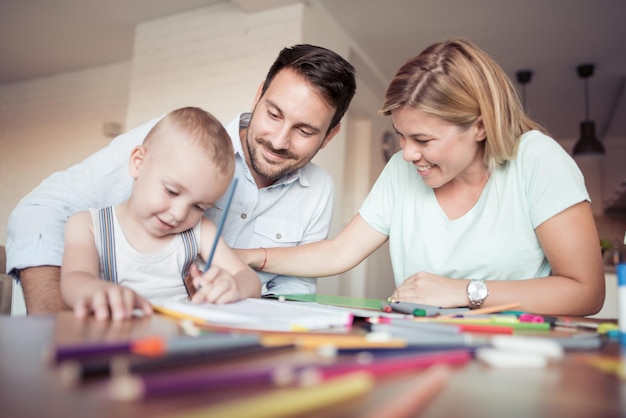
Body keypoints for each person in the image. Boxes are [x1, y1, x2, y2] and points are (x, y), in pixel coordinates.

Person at [236, 38, 605, 317]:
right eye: (401, 135)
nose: (408, 153)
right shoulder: (401, 170)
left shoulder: (536, 159)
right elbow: (338, 251)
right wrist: (246, 256)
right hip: (425, 352)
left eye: (424, 140)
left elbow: (586, 291)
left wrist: (465, 291)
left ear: (479, 126)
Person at [6, 44, 356, 314]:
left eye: (305, 130)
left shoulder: (319, 190)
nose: (279, 141)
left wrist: (235, 294)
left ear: (330, 135)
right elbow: (43, 208)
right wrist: (57, 323)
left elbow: (294, 291)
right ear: (258, 94)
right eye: (273, 114)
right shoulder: (177, 140)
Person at [61, 107, 261, 320]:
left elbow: (250, 279)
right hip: (116, 341)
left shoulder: (200, 230)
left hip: (178, 343)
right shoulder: (88, 225)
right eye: (172, 191)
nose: (179, 213)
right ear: (138, 162)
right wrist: (94, 290)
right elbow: (74, 279)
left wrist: (234, 285)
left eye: (199, 207)